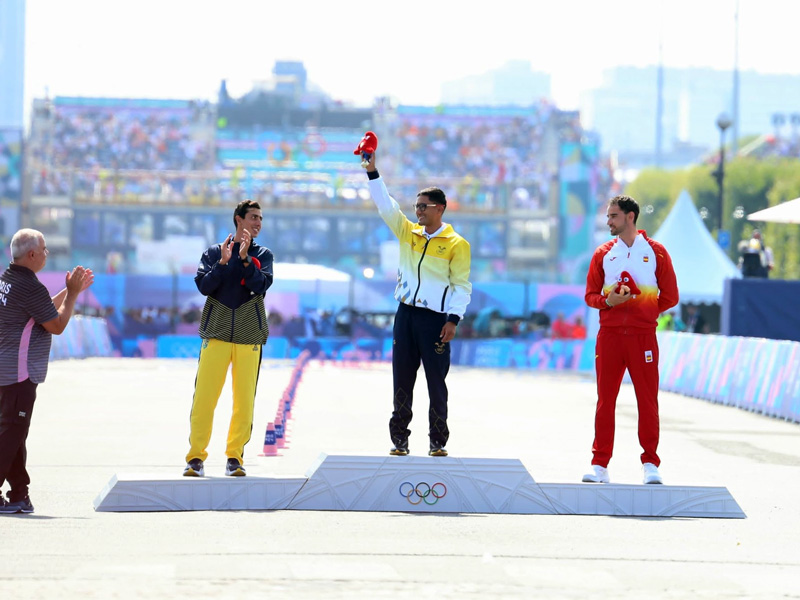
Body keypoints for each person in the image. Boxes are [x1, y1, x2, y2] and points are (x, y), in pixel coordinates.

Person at [363, 150, 472, 457]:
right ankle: (400, 439)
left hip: (436, 320)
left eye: (423, 207)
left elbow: (462, 285)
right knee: (402, 378)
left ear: (439, 209)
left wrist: (453, 319)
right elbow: (386, 206)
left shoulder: (456, 245)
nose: (418, 211)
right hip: (406, 315)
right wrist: (372, 172)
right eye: (416, 207)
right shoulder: (408, 232)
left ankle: (438, 441)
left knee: (436, 382)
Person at [582, 195, 678, 485]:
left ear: (630, 217)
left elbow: (670, 296)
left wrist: (644, 311)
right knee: (605, 401)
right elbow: (590, 296)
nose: (608, 221)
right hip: (609, 337)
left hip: (643, 337)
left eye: (613, 216)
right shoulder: (603, 253)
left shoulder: (656, 252)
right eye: (608, 216)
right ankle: (600, 465)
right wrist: (608, 301)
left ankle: (650, 463)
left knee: (647, 401)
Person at [0, 229, 93, 514]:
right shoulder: (30, 287)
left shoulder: (8, 280)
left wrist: (68, 289)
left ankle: (19, 494)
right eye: (44, 249)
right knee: (11, 433)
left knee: (15, 433)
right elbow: (56, 325)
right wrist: (74, 295)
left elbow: (41, 311)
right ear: (31, 254)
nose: (46, 254)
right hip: (19, 371)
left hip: (7, 369)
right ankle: (16, 493)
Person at [183, 200, 274, 478]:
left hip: (249, 336)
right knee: (204, 400)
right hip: (216, 333)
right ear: (238, 219)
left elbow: (261, 285)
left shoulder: (264, 254)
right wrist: (223, 263)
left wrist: (246, 259)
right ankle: (196, 458)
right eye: (253, 217)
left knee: (244, 402)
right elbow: (204, 286)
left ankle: (235, 458)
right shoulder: (213, 252)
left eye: (260, 218)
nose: (258, 223)